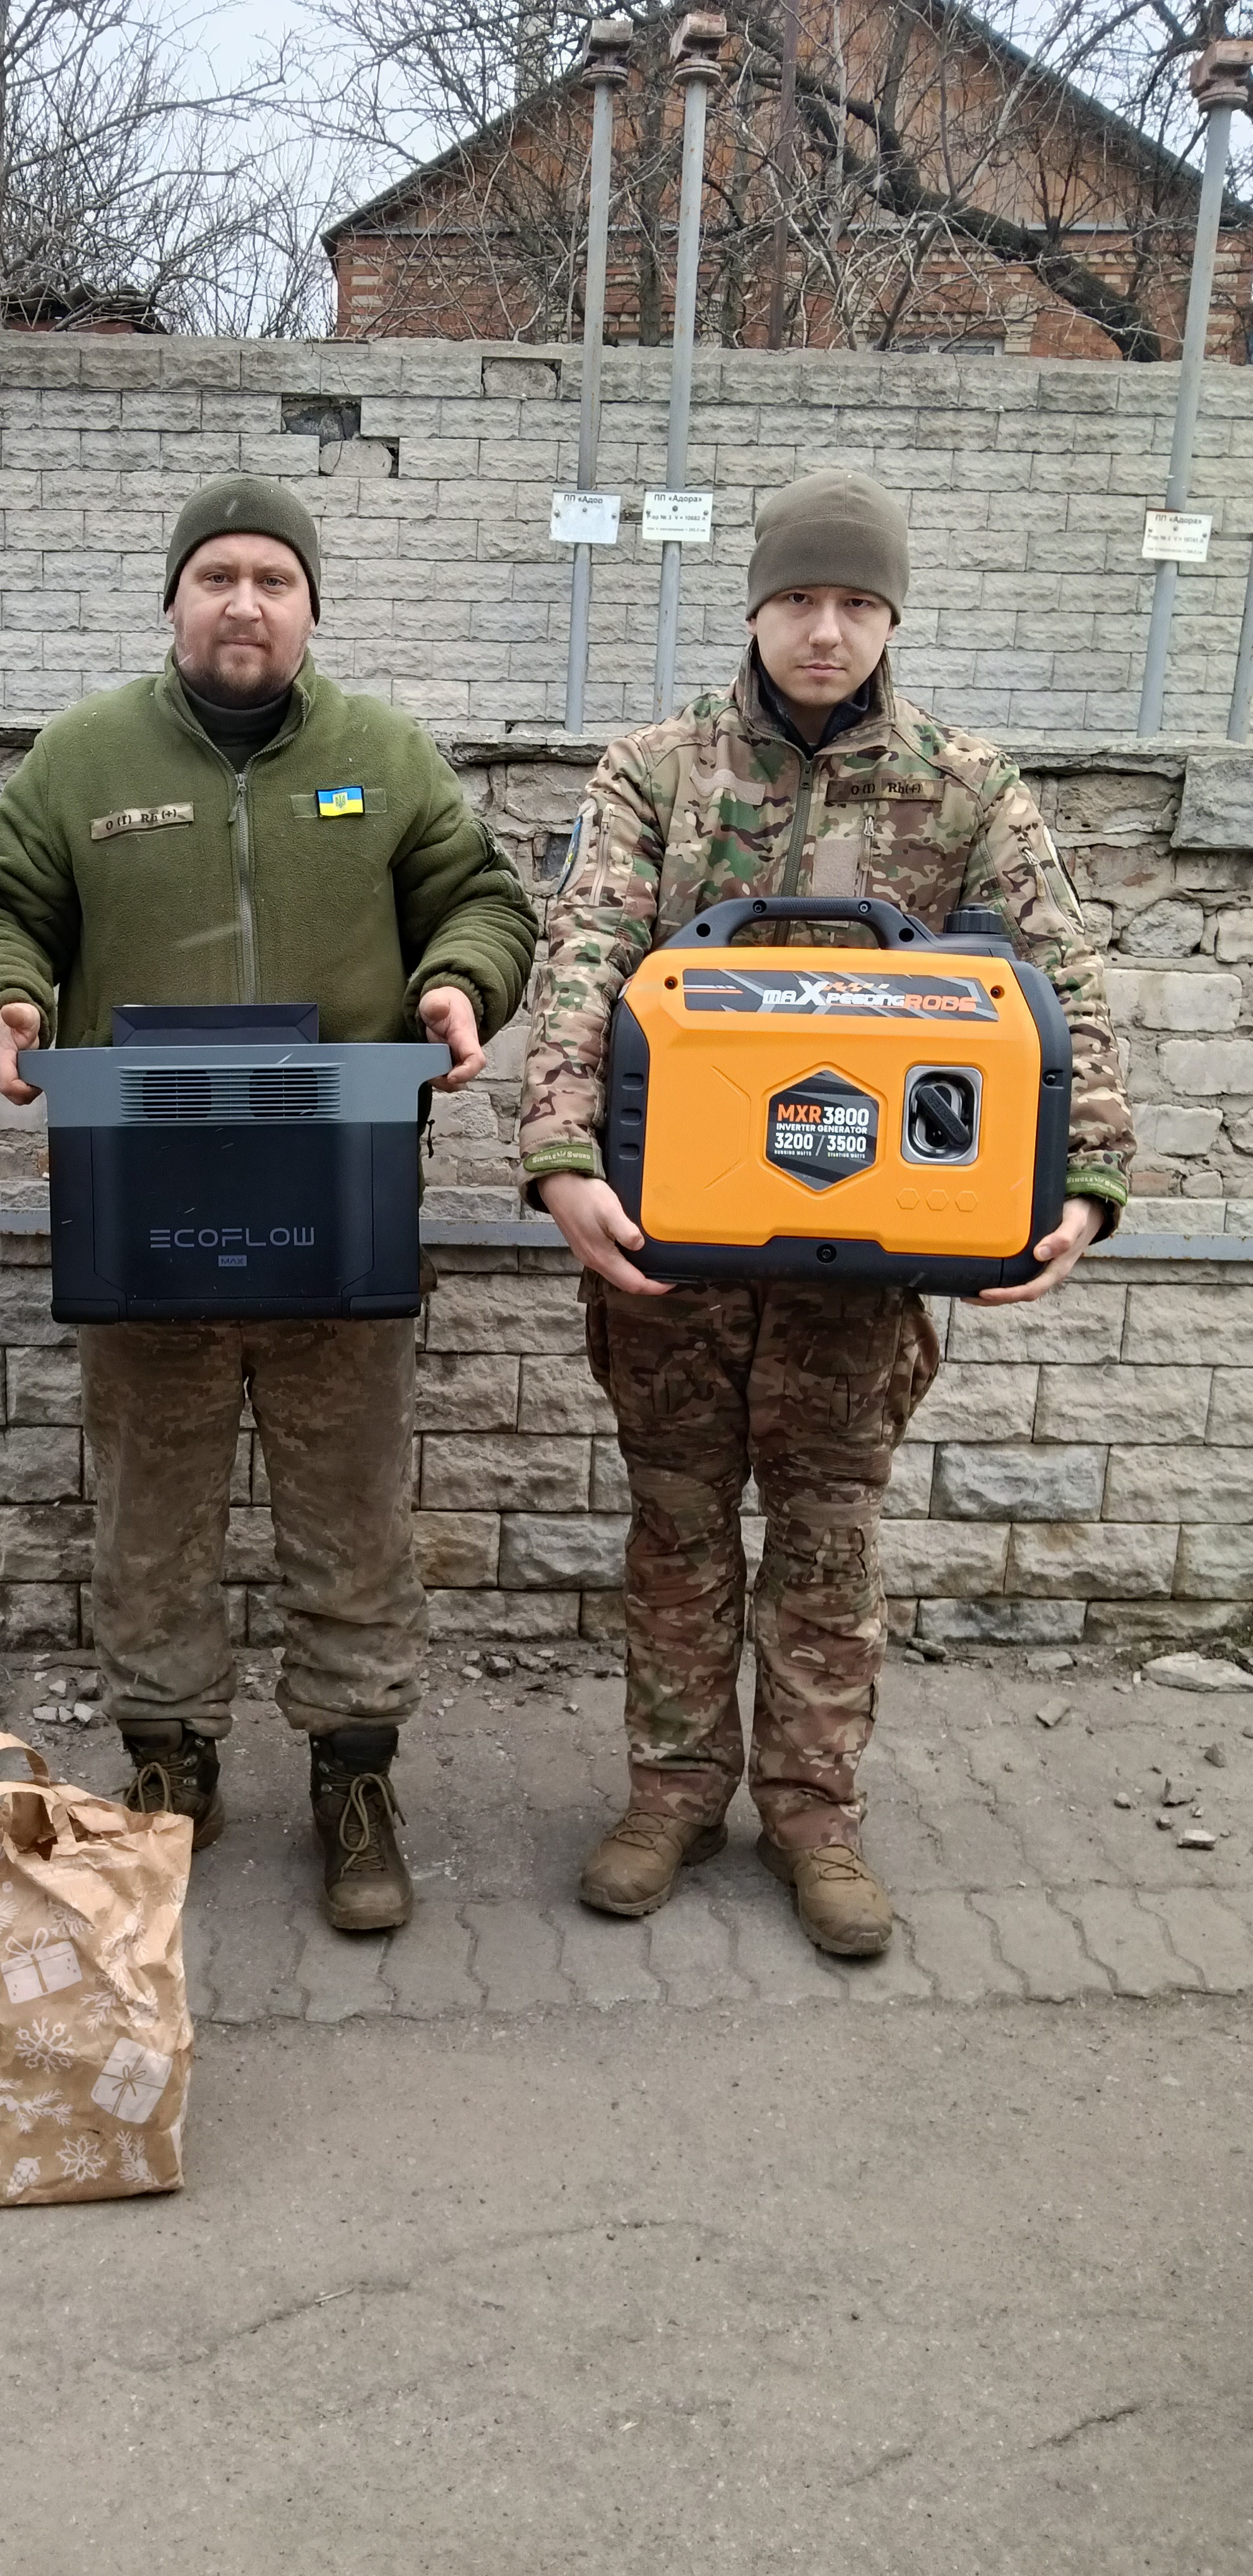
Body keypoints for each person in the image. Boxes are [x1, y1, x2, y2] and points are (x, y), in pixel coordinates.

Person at [519, 468, 1134, 1959]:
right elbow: (585, 953)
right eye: (799, 598)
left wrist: (1088, 1179)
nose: (825, 631)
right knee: (676, 1531)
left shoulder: (965, 787)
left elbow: (1063, 981)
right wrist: (560, 1151)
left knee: (830, 1543)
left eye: (858, 604)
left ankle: (815, 1817)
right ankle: (673, 1798)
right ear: (755, 607)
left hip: (866, 1264)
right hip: (675, 1243)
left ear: (891, 619)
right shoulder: (656, 774)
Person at [0, 474, 537, 1933]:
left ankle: (354, 1777)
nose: (245, 602)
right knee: (151, 1513)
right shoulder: (86, 757)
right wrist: (4, 999)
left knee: (354, 1512)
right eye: (217, 577)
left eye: (274, 578)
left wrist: (459, 984)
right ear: (174, 602)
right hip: (145, 1207)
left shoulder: (382, 755)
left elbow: (483, 898)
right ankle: (172, 1762)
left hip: (340, 1202)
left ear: (312, 608)